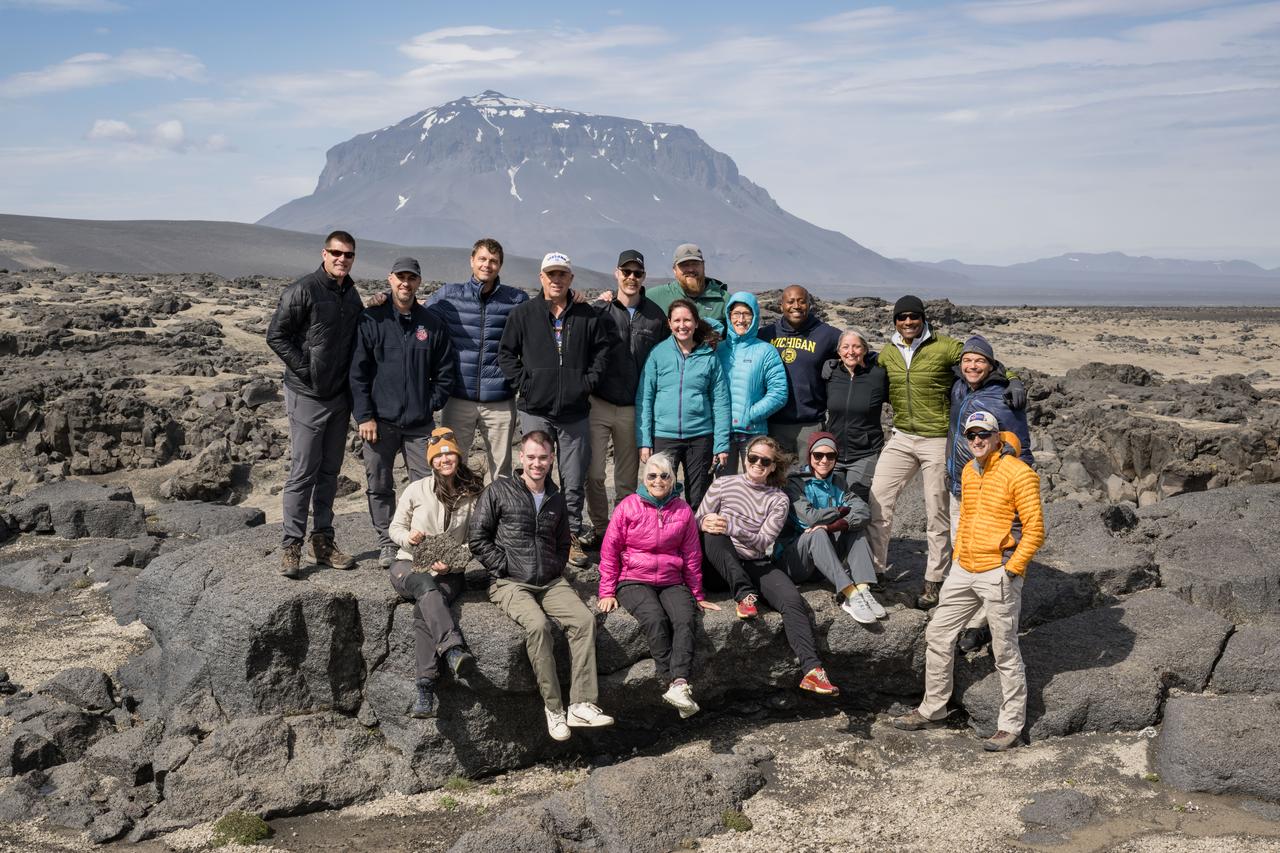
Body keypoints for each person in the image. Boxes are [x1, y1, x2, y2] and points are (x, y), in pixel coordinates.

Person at [893, 411, 1045, 752]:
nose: (976, 440)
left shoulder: (1020, 474)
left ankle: (1009, 727)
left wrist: (1011, 568)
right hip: (965, 569)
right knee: (938, 633)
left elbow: (1035, 530)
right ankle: (934, 709)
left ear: (996, 437)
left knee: (1005, 650)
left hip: (998, 572)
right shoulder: (968, 470)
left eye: (983, 435)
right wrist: (960, 557)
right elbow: (964, 521)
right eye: (971, 435)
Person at [867, 295, 1026, 610]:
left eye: (914, 316)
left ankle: (934, 580)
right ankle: (874, 570)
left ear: (924, 318)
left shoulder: (944, 347)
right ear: (895, 321)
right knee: (878, 501)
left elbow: (978, 359)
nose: (909, 322)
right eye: (902, 318)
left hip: (936, 440)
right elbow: (864, 364)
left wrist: (1012, 379)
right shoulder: (888, 351)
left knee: (936, 511)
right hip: (900, 436)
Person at [468, 430, 615, 741]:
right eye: (532, 457)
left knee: (585, 621)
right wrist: (504, 565)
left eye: (544, 457)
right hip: (509, 582)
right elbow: (477, 539)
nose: (538, 463)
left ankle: (582, 704)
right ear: (522, 457)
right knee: (538, 626)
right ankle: (554, 708)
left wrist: (554, 566)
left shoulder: (556, 497)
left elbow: (563, 543)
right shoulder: (499, 490)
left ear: (552, 459)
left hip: (550, 581)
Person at [697, 435, 840, 696]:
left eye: (766, 461)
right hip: (718, 565)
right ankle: (743, 595)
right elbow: (697, 520)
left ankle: (812, 670)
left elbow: (764, 541)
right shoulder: (722, 484)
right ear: (745, 457)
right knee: (713, 533)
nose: (758, 463)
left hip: (754, 561)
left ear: (774, 466)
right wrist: (705, 522)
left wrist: (732, 526)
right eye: (753, 458)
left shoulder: (778, 499)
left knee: (792, 600)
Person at [498, 252, 612, 561]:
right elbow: (506, 353)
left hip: (574, 412)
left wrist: (587, 382)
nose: (556, 279)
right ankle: (536, 534)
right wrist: (527, 382)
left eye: (562, 274)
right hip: (535, 409)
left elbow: (602, 352)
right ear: (541, 278)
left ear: (570, 279)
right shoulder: (523, 314)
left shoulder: (587, 316)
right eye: (551, 274)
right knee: (536, 473)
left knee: (573, 478)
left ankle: (570, 536)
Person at [267, 230, 365, 579]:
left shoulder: (351, 296)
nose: (342, 259)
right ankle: (291, 544)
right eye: (336, 253)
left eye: (348, 254)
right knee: (303, 470)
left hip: (339, 398)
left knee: (329, 472)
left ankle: (322, 541)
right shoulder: (303, 289)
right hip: (307, 395)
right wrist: (307, 371)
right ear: (324, 253)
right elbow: (276, 334)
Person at [350, 257, 457, 567]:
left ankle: (422, 542)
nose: (405, 283)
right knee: (380, 484)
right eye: (400, 277)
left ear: (418, 282)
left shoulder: (432, 324)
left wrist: (429, 403)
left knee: (427, 486)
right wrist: (364, 416)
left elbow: (445, 372)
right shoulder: (372, 320)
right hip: (379, 423)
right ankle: (387, 542)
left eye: (411, 278)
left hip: (419, 424)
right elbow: (357, 372)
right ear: (390, 278)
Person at [597, 453, 720, 717]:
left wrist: (697, 593)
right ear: (644, 478)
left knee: (685, 618)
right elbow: (609, 550)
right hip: (633, 579)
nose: (658, 480)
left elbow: (691, 555)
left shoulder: (683, 510)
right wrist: (606, 590)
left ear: (672, 479)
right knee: (654, 618)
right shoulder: (628, 507)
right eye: (652, 475)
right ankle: (673, 680)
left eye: (664, 476)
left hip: (671, 579)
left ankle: (679, 684)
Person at [946, 335, 1035, 652]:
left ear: (990, 364)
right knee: (963, 550)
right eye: (968, 360)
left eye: (979, 360)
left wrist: (1016, 490)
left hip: (992, 490)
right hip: (961, 484)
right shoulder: (959, 385)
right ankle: (970, 615)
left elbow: (1019, 447)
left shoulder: (1004, 398)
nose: (972, 366)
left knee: (993, 558)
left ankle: (980, 625)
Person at [387, 427, 482, 718]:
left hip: (449, 572)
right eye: (439, 457)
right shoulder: (416, 489)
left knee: (424, 611)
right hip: (408, 564)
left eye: (450, 454)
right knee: (426, 587)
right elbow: (394, 529)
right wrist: (409, 538)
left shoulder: (472, 494)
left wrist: (452, 564)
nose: (445, 460)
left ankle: (425, 688)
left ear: (458, 456)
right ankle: (453, 650)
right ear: (431, 462)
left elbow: (475, 541)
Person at [427, 238, 528, 482]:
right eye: (482, 259)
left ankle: (495, 518)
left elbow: (548, 313)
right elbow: (412, 310)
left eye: (493, 261)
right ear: (472, 260)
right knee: (450, 464)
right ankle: (454, 517)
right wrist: (383, 300)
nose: (487, 265)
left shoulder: (515, 300)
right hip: (458, 397)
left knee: (500, 470)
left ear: (500, 265)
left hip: (500, 401)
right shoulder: (448, 297)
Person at [585, 249, 669, 541]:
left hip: (634, 407)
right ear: (616, 273)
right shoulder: (600, 311)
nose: (631, 277)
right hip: (599, 402)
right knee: (594, 473)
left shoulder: (656, 318)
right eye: (626, 272)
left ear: (644, 276)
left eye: (637, 273)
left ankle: (620, 535)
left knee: (625, 480)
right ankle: (599, 527)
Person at [779, 432, 886, 624]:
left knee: (855, 528)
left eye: (830, 456)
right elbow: (810, 519)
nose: (824, 460)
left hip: (825, 563)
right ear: (810, 456)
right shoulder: (795, 482)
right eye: (818, 455)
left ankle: (863, 588)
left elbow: (863, 511)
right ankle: (849, 594)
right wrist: (840, 509)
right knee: (817, 532)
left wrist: (837, 524)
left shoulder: (838, 482)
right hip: (795, 562)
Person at [635, 299, 730, 510]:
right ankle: (664, 542)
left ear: (696, 323)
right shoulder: (658, 354)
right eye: (676, 320)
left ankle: (696, 543)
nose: (682, 325)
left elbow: (721, 401)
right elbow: (645, 398)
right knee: (661, 494)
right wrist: (644, 441)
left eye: (687, 320)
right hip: (664, 436)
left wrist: (721, 443)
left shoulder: (709, 356)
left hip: (700, 437)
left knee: (699, 498)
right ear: (669, 323)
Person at [760, 285, 841, 459]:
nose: (796, 305)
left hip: (810, 424)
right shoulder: (766, 335)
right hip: (774, 424)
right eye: (790, 301)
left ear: (809, 304)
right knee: (776, 483)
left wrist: (836, 363)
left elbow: (856, 349)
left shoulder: (826, 334)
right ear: (781, 306)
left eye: (801, 301)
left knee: (809, 480)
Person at [717, 292, 788, 474]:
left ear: (755, 316)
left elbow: (779, 392)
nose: (741, 319)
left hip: (753, 432)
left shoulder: (766, 351)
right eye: (736, 314)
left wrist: (751, 414)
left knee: (758, 485)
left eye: (746, 313)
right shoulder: (719, 349)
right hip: (722, 433)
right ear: (729, 316)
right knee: (725, 486)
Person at [822, 328, 888, 503]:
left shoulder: (878, 376)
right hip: (832, 454)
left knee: (855, 503)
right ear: (838, 351)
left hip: (864, 453)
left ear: (865, 350)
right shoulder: (830, 374)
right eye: (845, 347)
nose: (850, 352)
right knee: (830, 503)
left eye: (857, 347)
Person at [644, 243, 730, 334]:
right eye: (684, 265)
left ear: (703, 266)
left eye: (695, 264)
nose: (691, 269)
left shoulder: (724, 300)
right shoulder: (655, 296)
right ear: (674, 270)